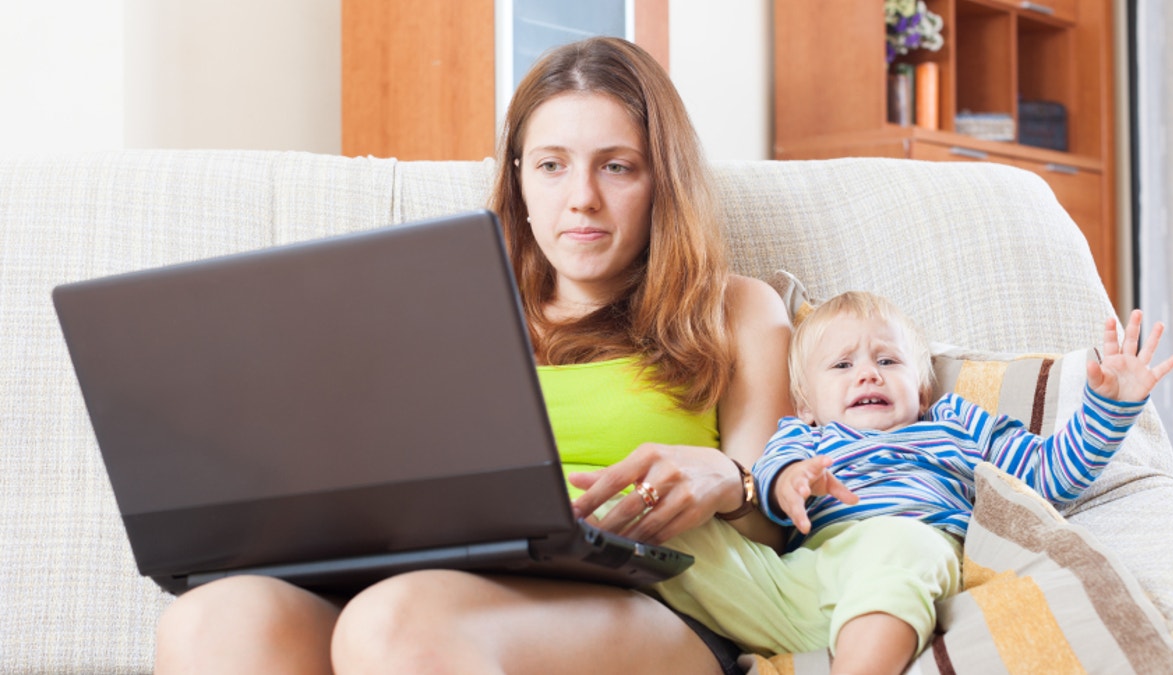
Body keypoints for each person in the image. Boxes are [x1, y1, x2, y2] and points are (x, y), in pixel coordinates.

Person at [153, 36, 794, 675]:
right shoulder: (442, 307)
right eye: (551, 165)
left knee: (397, 624)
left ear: (664, 177)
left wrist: (730, 481)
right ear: (516, 175)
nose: (582, 198)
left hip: (646, 597)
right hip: (432, 581)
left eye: (616, 166)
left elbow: (774, 532)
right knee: (214, 619)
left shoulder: (736, 310)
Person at [736, 290, 1173, 674]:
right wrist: (787, 482)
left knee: (904, 547)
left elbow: (1047, 476)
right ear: (805, 405)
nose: (868, 373)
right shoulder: (802, 436)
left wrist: (1107, 411)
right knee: (698, 541)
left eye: (887, 360)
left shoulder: (954, 423)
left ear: (922, 392)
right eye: (842, 365)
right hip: (807, 574)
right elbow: (764, 481)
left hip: (911, 554)